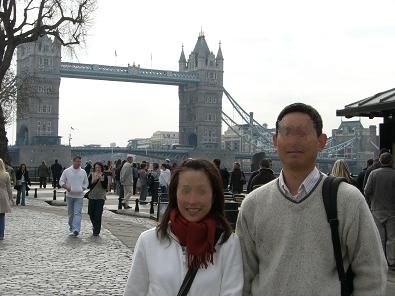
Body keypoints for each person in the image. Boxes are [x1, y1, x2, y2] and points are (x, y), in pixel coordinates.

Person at [236, 102, 387, 295]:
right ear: (274, 141)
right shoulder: (253, 204)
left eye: (303, 133)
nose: (294, 141)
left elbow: (372, 273)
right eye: (287, 132)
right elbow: (244, 277)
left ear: (322, 141)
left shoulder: (348, 200)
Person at [123, 159, 243, 295]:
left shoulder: (228, 244)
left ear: (214, 195)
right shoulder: (148, 241)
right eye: (185, 191)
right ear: (174, 193)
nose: (192, 200)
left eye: (202, 191)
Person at [364, 152, 395, 271]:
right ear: (391, 161)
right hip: (392, 210)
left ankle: (381, 261)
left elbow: (367, 191)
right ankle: (391, 261)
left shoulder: (373, 173)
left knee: (379, 237)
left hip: (376, 209)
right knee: (392, 238)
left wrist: (372, 200)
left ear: (380, 161)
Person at [59, 156, 89, 237]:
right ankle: (72, 228)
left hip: (79, 196)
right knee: (71, 214)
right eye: (77, 161)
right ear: (73, 161)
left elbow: (86, 182)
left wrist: (82, 188)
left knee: (77, 213)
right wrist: (67, 187)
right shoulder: (67, 171)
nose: (79, 163)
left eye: (80, 161)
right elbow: (61, 181)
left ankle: (76, 229)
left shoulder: (83, 172)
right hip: (70, 195)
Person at [87, 162, 108, 236]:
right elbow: (88, 185)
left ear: (101, 168)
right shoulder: (91, 175)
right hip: (92, 196)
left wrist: (102, 180)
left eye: (99, 167)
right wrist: (94, 180)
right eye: (96, 167)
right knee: (90, 212)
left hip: (100, 197)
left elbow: (105, 187)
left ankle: (96, 230)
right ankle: (95, 225)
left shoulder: (104, 175)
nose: (98, 169)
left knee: (98, 214)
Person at [0, 159, 13, 240]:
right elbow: (9, 188)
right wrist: (11, 198)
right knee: (2, 216)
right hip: (3, 196)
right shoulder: (6, 174)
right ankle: (1, 234)